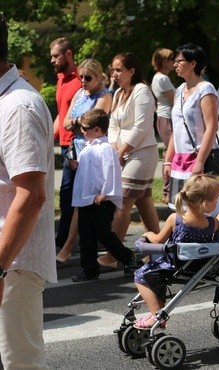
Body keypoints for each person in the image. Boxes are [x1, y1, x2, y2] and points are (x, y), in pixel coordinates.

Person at [0, 15, 57, 368]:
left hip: (13, 262)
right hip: (8, 260)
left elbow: (31, 194)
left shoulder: (17, 107)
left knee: (19, 363)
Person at [133, 175, 219, 330]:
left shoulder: (176, 219)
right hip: (198, 267)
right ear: (206, 204)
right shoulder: (213, 223)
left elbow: (157, 241)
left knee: (141, 276)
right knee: (154, 276)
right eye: (216, 200)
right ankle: (159, 312)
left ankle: (156, 316)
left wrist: (147, 235)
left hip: (174, 266)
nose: (218, 202)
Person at [99, 52, 161, 269]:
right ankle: (160, 247)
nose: (114, 74)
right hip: (123, 153)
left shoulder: (142, 91)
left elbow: (141, 127)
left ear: (131, 71)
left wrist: (122, 151)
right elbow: (113, 125)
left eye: (118, 70)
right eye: (113, 69)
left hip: (142, 153)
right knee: (144, 201)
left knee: (122, 202)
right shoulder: (117, 93)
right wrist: (114, 146)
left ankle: (112, 255)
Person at [55, 58, 113, 264]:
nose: (83, 81)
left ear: (99, 77)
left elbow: (94, 122)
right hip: (75, 151)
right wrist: (79, 122)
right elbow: (66, 122)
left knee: (83, 202)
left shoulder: (104, 96)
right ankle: (104, 246)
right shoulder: (80, 94)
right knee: (71, 198)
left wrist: (78, 122)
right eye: (81, 77)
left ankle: (68, 247)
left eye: (88, 77)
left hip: (92, 153)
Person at [69, 109, 135, 282]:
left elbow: (110, 171)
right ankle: (89, 269)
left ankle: (128, 258)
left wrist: (105, 193)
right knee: (86, 235)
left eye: (85, 128)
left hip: (100, 200)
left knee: (103, 234)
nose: (82, 131)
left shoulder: (106, 148)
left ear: (97, 130)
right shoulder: (87, 148)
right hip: (87, 199)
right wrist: (76, 165)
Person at [163, 43, 219, 207]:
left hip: (198, 157)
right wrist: (168, 160)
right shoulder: (180, 89)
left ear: (193, 63)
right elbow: (177, 127)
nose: (175, 65)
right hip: (180, 158)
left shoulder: (206, 89)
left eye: (179, 61)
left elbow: (212, 127)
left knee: (197, 209)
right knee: (179, 207)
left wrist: (200, 161)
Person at [50, 37, 81, 253]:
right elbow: (61, 116)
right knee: (68, 194)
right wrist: (47, 139)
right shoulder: (61, 78)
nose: (52, 60)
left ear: (68, 54)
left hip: (76, 145)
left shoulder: (81, 79)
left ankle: (63, 242)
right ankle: (68, 239)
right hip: (64, 144)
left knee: (69, 193)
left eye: (55, 56)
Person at [151, 48, 176, 204]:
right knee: (170, 154)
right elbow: (175, 100)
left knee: (169, 153)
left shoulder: (160, 78)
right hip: (167, 117)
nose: (174, 62)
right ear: (164, 61)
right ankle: (167, 192)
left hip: (164, 117)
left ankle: (168, 191)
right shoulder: (162, 79)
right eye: (172, 58)